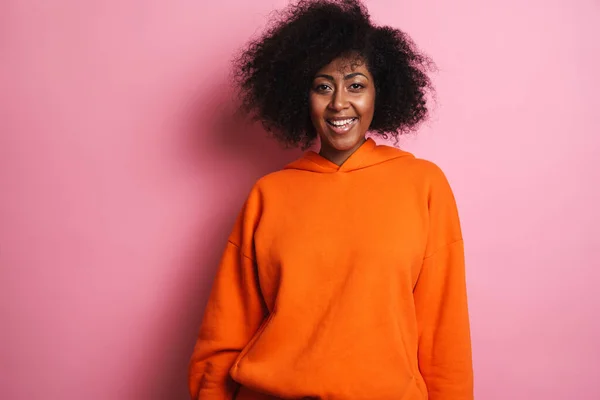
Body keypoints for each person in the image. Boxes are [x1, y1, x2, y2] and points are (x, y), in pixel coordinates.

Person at [188, 0, 473, 399]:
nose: (339, 103)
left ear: (380, 92)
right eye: (323, 86)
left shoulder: (422, 185)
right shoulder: (269, 194)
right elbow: (223, 334)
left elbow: (445, 336)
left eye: (356, 85)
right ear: (301, 96)